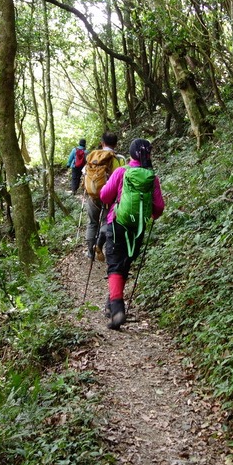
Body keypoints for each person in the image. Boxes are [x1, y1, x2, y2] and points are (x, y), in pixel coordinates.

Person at [100, 138, 164, 330]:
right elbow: (159, 207)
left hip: (117, 222)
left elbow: (104, 195)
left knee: (114, 265)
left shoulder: (121, 172)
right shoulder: (152, 177)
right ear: (148, 155)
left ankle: (118, 309)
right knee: (124, 263)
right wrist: (147, 216)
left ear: (131, 154)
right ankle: (111, 304)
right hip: (137, 229)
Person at [83, 132, 125, 260]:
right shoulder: (119, 159)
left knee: (92, 223)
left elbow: (84, 174)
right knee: (107, 221)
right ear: (116, 144)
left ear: (102, 143)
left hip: (92, 196)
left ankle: (90, 253)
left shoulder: (92, 157)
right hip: (110, 196)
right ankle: (100, 244)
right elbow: (123, 177)